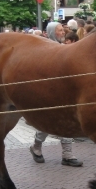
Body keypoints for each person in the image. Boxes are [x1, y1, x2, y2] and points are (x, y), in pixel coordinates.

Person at [29, 22, 83, 167]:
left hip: (64, 93)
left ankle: (67, 155)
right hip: (48, 93)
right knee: (47, 123)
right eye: (59, 30)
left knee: (65, 121)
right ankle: (36, 147)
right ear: (52, 32)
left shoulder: (64, 48)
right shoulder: (43, 49)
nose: (63, 32)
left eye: (62, 30)